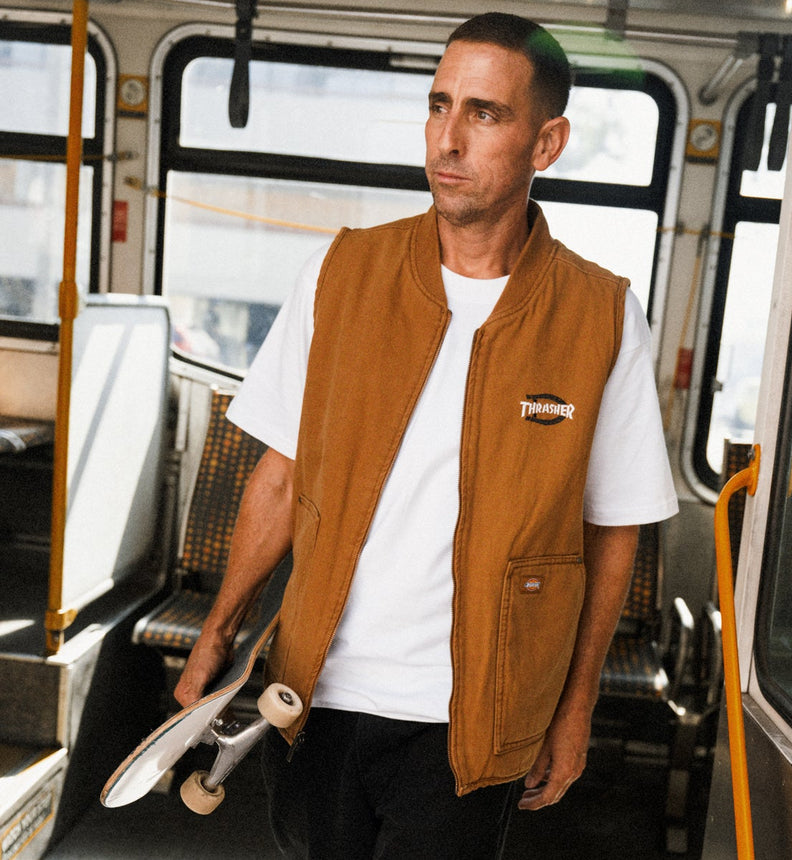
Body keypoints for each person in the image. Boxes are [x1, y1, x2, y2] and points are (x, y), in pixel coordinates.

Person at [175, 11, 678, 858]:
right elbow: (277, 475)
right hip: (311, 698)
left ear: (546, 143)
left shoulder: (601, 316)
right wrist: (218, 632)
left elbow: (613, 529)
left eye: (484, 113)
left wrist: (577, 704)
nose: (448, 139)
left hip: (474, 717)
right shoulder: (339, 273)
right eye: (439, 105)